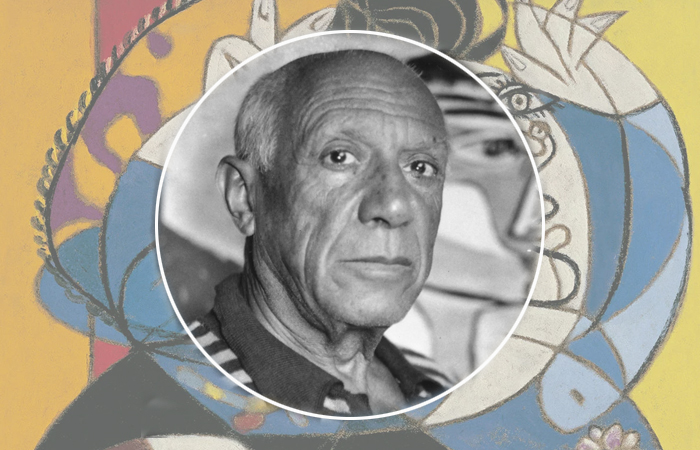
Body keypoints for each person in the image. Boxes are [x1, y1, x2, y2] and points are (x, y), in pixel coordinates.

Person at [188, 49, 451, 416]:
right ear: (245, 197)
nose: (394, 206)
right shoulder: (179, 392)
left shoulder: (436, 386)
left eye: (420, 167)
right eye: (339, 157)